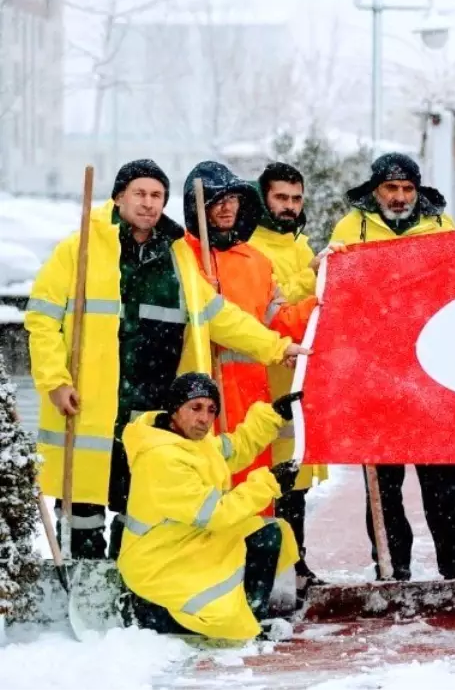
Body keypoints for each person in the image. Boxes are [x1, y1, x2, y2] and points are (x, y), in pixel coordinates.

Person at [25, 160, 307, 559]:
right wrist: (55, 381)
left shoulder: (176, 255)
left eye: (157, 195)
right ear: (120, 196)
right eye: (139, 193)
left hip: (153, 406)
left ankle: (130, 578)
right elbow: (42, 318)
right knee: (83, 502)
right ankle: (83, 579)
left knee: (139, 502)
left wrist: (276, 347)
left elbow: (217, 315)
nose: (148, 203)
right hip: (91, 402)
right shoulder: (82, 247)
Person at [329, 152, 455, 582]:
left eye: (407, 189)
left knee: (441, 481)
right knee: (383, 485)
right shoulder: (349, 229)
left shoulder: (441, 228)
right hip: (374, 378)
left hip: (431, 374)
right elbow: (331, 293)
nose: (399, 197)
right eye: (391, 188)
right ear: (375, 190)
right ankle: (392, 568)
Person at [118, 372, 302, 641]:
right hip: (159, 563)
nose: (204, 418)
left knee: (268, 532)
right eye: (195, 408)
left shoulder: (189, 442)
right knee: (222, 619)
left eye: (211, 410)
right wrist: (269, 484)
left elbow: (233, 449)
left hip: (187, 544)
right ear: (174, 410)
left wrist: (274, 416)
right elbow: (217, 513)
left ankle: (251, 616)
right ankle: (155, 614)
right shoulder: (161, 458)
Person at [182, 162, 317, 488]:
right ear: (197, 206)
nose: (227, 206)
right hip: (198, 400)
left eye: (232, 198)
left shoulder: (256, 262)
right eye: (216, 200)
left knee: (252, 501)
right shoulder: (183, 255)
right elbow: (219, 322)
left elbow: (280, 320)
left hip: (251, 401)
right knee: (206, 501)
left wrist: (324, 297)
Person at [249, 161, 333, 589]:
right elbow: (272, 307)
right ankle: (276, 566)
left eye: (296, 199)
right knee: (266, 479)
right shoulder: (250, 245)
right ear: (263, 197)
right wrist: (312, 274)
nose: (289, 206)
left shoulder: (299, 246)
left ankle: (296, 562)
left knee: (294, 481)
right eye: (281, 197)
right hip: (261, 377)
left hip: (296, 377)